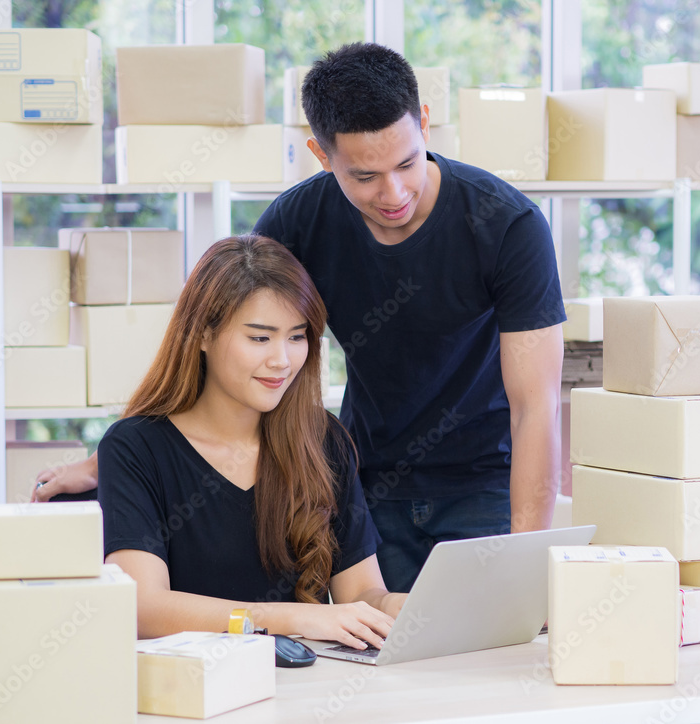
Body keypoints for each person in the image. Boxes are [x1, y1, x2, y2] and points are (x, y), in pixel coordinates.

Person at [35, 42, 565, 594]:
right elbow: (218, 337)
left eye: (406, 163)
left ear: (424, 124)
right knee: (386, 652)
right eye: (364, 176)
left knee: (488, 652)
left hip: (482, 481)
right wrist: (111, 460)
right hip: (361, 477)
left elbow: (536, 406)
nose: (394, 192)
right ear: (321, 153)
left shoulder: (507, 225)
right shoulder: (298, 220)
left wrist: (526, 565)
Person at [97, 235, 405, 647]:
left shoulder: (323, 439)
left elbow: (360, 592)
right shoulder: (135, 448)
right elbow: (144, 609)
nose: (282, 359)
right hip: (194, 696)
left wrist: (388, 607)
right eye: (260, 338)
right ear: (203, 334)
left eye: (297, 337)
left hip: (306, 688)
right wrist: (289, 619)